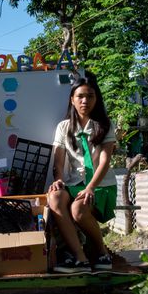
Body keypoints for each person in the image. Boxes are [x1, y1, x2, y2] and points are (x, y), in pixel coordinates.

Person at [47, 72, 117, 273]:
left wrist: (90, 187)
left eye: (90, 96)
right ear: (72, 99)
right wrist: (58, 180)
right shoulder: (63, 127)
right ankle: (81, 259)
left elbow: (105, 160)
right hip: (75, 182)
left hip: (101, 184)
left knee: (78, 210)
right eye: (80, 96)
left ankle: (102, 252)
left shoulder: (104, 125)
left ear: (96, 99)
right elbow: (58, 161)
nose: (85, 100)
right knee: (55, 197)